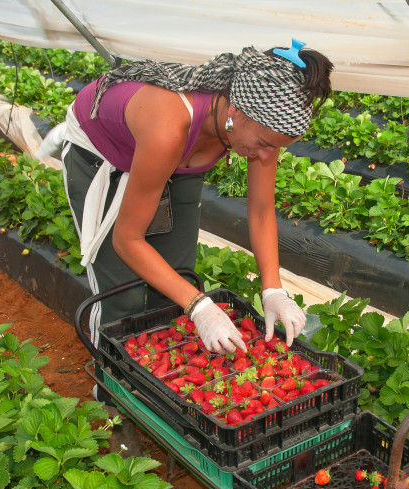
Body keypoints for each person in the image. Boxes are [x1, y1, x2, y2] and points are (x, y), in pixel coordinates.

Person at [54, 41, 334, 356]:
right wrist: (199, 306)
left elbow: (260, 211)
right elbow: (127, 240)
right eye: (263, 142)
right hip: (104, 154)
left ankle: (160, 379)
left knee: (177, 278)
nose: (268, 154)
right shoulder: (170, 126)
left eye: (277, 146)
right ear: (235, 111)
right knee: (123, 296)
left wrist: (273, 290)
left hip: (177, 156)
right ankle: (110, 394)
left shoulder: (260, 127)